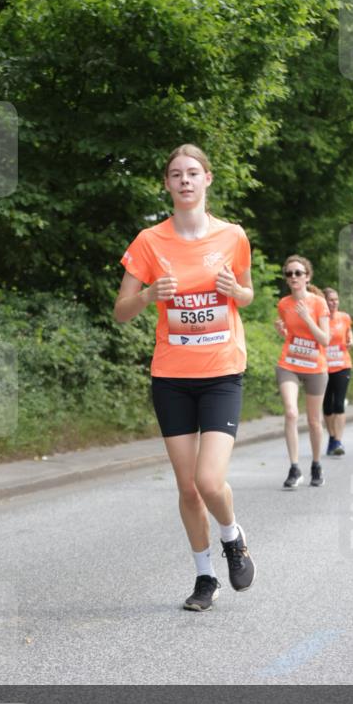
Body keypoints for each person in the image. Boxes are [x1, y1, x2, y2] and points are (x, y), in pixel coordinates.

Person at [114, 144, 255, 612]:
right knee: (188, 488)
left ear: (207, 179)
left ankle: (232, 537)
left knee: (209, 480)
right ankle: (204, 577)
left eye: (193, 173)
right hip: (172, 377)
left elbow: (247, 293)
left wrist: (237, 292)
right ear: (167, 184)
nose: (185, 181)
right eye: (176, 174)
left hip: (221, 373)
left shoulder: (233, 236)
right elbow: (121, 311)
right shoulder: (149, 242)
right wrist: (149, 294)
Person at [274, 255, 330, 488]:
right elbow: (291, 335)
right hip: (289, 363)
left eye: (298, 273)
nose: (294, 277)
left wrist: (307, 318)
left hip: (315, 366)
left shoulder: (318, 303)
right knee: (291, 413)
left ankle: (316, 464)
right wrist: (282, 332)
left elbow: (325, 340)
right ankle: (294, 468)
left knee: (315, 421)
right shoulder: (284, 304)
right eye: (289, 273)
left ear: (307, 277)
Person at [322, 288, 353, 456]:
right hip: (323, 367)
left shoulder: (344, 317)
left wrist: (351, 340)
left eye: (336, 299)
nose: (334, 303)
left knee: (339, 404)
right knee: (327, 406)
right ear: (324, 302)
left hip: (342, 365)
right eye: (330, 300)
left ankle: (338, 441)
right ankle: (332, 437)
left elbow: (349, 331)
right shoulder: (319, 319)